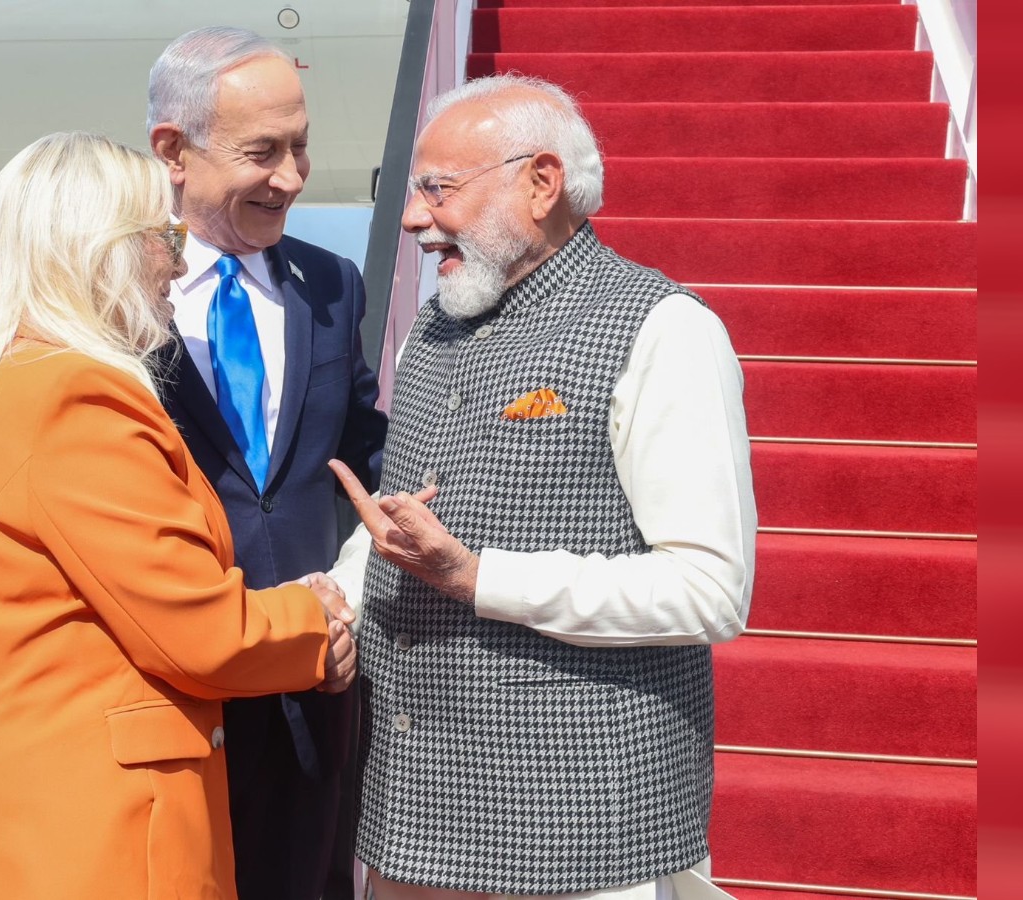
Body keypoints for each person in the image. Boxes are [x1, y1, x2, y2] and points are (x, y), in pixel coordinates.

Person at [0, 26, 390, 900]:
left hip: (279, 719)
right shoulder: (83, 376)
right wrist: (321, 621)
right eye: (263, 150)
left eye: (301, 147)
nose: (292, 176)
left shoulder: (330, 284)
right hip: (158, 734)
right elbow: (193, 625)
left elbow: (357, 448)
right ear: (174, 153)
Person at [326, 75, 757, 900]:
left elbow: (710, 591)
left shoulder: (664, 328)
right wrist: (339, 588)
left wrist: (480, 577)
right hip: (408, 822)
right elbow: (406, 521)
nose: (414, 217)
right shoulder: (433, 326)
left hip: (576, 839)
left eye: (438, 189)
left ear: (542, 182)